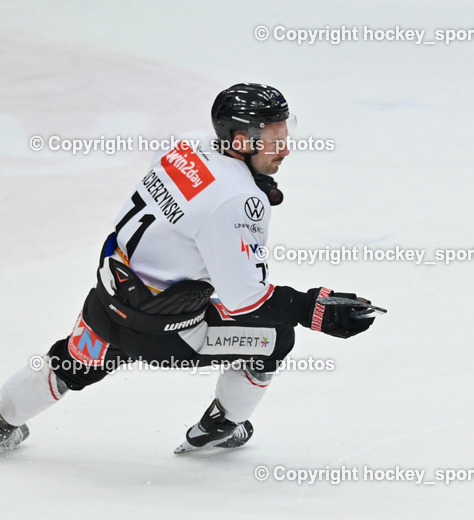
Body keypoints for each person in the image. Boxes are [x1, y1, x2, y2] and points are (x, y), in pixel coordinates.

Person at [0, 83, 378, 454]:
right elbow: (246, 299)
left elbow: (183, 209)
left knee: (74, 362)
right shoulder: (238, 198)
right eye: (275, 141)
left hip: (106, 299)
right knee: (276, 337)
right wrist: (313, 309)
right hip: (163, 333)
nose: (286, 149)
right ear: (242, 140)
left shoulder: (186, 144)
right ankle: (221, 426)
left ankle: (2, 423)